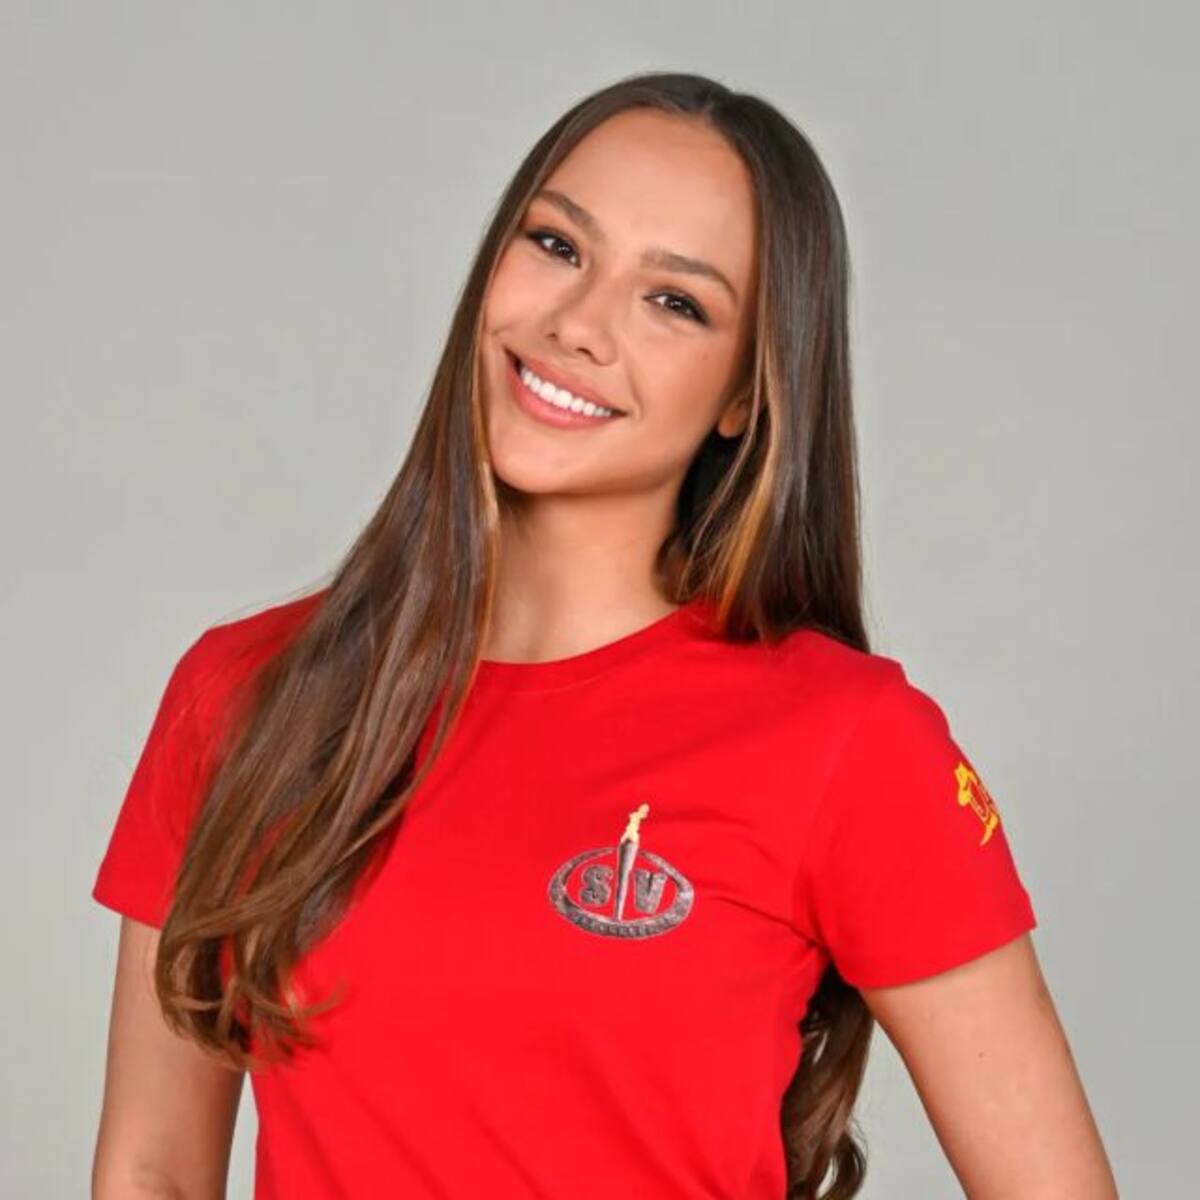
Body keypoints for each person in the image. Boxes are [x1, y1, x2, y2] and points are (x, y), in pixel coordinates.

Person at [90, 71, 1117, 1200]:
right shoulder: (247, 692)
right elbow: (151, 1170)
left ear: (746, 395)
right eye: (557, 245)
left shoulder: (853, 742)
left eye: (675, 301)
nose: (577, 326)